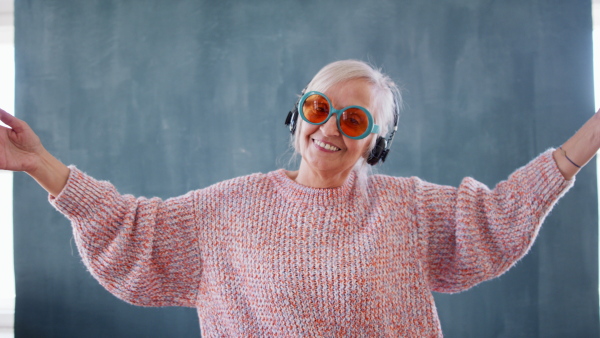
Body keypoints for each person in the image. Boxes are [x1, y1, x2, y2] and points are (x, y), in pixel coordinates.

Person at [0, 59, 597, 337]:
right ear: (298, 115)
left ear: (377, 143)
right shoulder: (228, 209)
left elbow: (499, 215)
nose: (331, 127)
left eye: (356, 119)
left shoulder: (409, 208)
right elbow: (133, 230)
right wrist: (38, 163)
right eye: (319, 108)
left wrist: (588, 139)